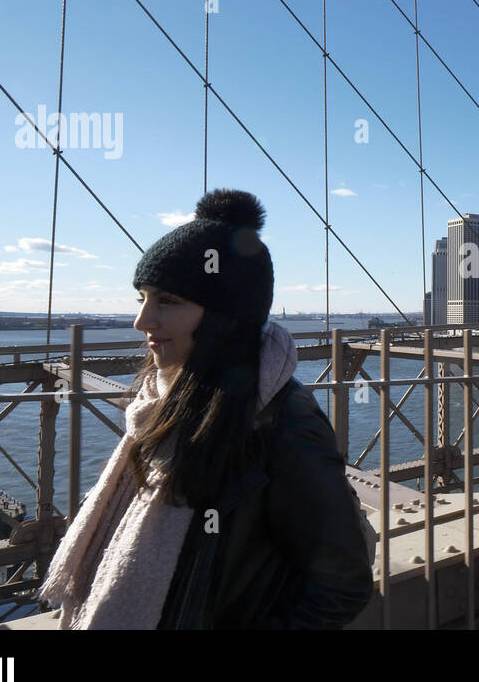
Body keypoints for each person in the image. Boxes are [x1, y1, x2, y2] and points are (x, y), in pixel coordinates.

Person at [40, 188, 373, 629]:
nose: (142, 321)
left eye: (167, 301)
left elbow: (341, 584)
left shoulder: (284, 421)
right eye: (142, 298)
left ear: (225, 316)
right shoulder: (161, 398)